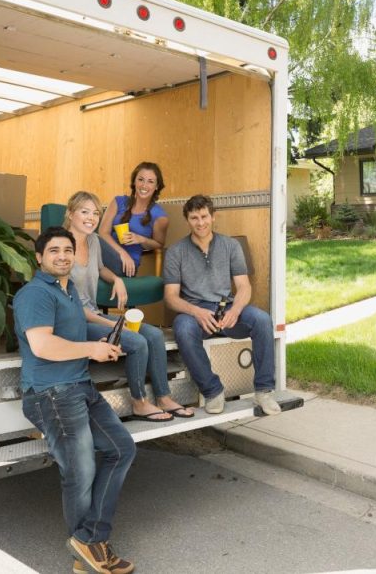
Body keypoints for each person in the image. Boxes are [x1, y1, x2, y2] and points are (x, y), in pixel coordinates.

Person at [14, 226, 136, 574]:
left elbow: (74, 333)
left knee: (121, 449)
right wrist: (90, 349)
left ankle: (89, 539)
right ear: (39, 257)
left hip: (79, 387)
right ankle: (91, 548)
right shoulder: (35, 294)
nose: (63, 256)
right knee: (80, 471)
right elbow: (42, 346)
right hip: (52, 393)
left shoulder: (67, 291)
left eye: (68, 250)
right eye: (54, 251)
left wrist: (103, 344)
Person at [65, 191, 194, 422]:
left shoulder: (93, 241)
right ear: (70, 213)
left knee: (154, 334)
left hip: (93, 313)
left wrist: (117, 279)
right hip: (74, 321)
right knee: (136, 341)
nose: (91, 218)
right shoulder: (61, 248)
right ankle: (139, 402)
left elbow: (100, 268)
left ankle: (163, 397)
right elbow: (70, 307)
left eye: (95, 213)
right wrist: (112, 325)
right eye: (85, 212)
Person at [163, 194, 281, 416]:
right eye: (194, 218)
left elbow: (244, 286)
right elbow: (170, 297)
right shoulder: (175, 252)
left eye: (204, 216)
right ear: (187, 220)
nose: (200, 223)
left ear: (213, 217)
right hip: (196, 311)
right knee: (183, 328)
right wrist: (196, 311)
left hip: (226, 308)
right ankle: (213, 392)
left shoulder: (230, 245)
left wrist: (235, 310)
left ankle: (264, 391)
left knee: (262, 320)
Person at [99, 162, 169, 277]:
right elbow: (103, 233)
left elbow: (159, 244)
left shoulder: (160, 216)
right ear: (134, 181)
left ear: (157, 186)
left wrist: (141, 239)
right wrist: (122, 253)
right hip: (108, 256)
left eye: (150, 181)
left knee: (90, 239)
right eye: (141, 179)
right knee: (89, 238)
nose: (144, 185)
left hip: (127, 266)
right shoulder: (118, 201)